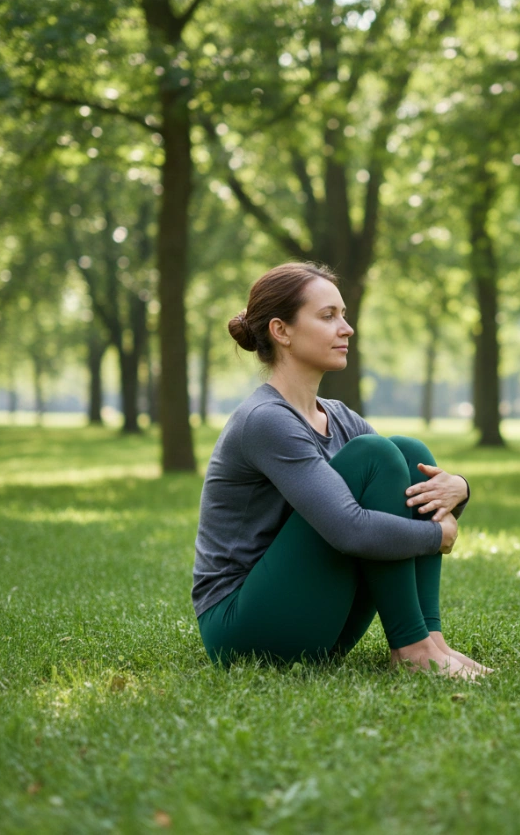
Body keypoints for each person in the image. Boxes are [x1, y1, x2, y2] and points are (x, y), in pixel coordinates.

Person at [192, 261, 491, 679]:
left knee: (407, 453)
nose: (346, 328)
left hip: (314, 618)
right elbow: (349, 529)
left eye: (344, 315)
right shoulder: (265, 419)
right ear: (282, 331)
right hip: (241, 628)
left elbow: (400, 486)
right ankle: (412, 648)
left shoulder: (339, 416)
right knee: (376, 454)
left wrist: (460, 487)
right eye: (328, 316)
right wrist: (435, 535)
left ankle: (429, 640)